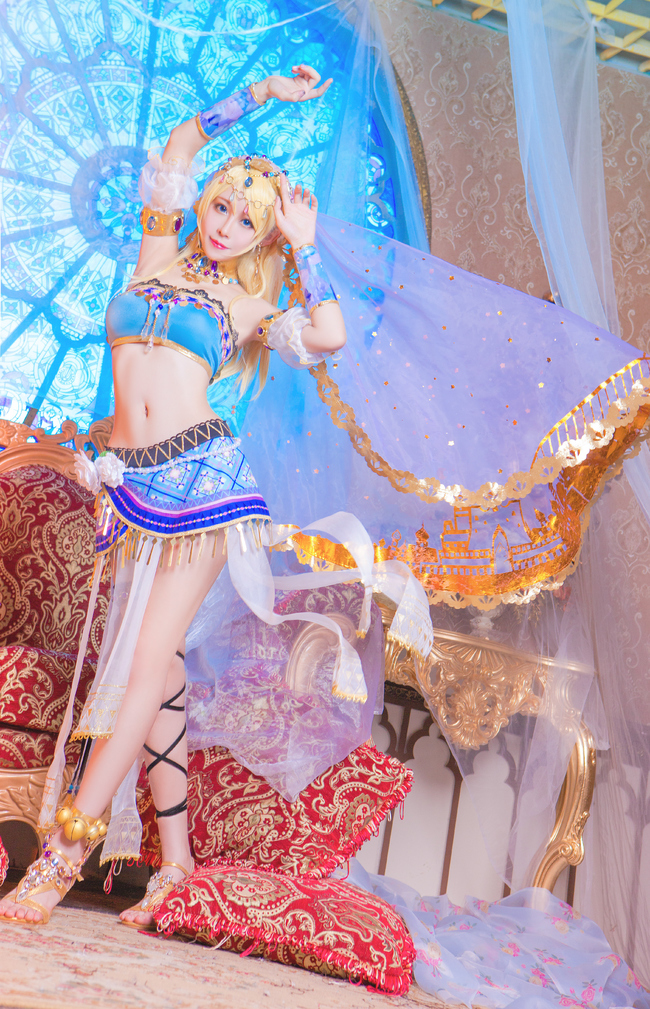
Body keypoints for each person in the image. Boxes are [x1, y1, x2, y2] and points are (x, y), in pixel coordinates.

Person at [0, 64, 374, 929]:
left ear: (260, 237)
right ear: (204, 199)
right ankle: (175, 866)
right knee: (158, 670)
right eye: (223, 204)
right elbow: (179, 141)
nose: (228, 222)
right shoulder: (155, 253)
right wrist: (260, 97)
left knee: (141, 668)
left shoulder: (245, 304)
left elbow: (328, 332)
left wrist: (304, 243)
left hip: (205, 485)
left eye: (248, 220)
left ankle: (64, 855)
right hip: (133, 490)